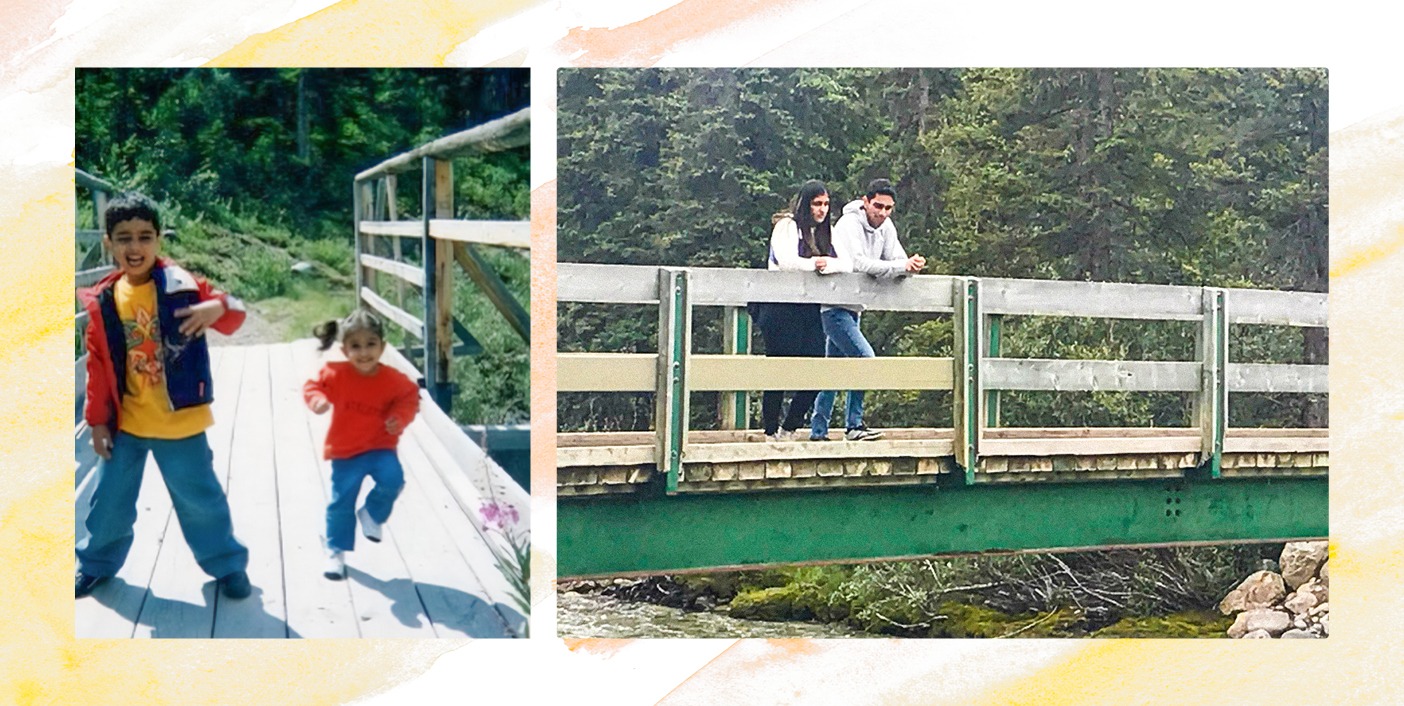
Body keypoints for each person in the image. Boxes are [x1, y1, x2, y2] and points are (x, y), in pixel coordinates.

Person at [76, 192, 252, 599]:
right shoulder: (104, 301)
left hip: (180, 422)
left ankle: (226, 566)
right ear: (109, 243)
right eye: (123, 238)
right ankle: (96, 564)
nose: (134, 247)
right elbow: (98, 367)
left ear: (158, 239)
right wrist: (98, 420)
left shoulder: (183, 285)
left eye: (144, 236)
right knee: (109, 504)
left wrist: (218, 305)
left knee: (201, 501)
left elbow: (236, 314)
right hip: (127, 424)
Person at [303, 310, 419, 580]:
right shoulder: (336, 373)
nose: (364, 352)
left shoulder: (394, 379)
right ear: (344, 350)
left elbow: (409, 398)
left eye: (371, 344)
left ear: (383, 346)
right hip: (346, 450)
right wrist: (317, 400)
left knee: (394, 479)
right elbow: (312, 386)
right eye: (355, 346)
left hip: (380, 446)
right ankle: (335, 549)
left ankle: (372, 513)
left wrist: (399, 418)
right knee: (342, 501)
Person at [810, 178, 927, 442]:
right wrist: (901, 267)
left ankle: (818, 431)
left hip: (855, 308)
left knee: (834, 372)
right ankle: (854, 426)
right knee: (865, 359)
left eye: (888, 208)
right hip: (834, 306)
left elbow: (897, 258)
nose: (883, 213)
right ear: (865, 202)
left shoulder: (886, 226)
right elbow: (858, 263)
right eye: (878, 207)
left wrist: (910, 266)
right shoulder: (848, 224)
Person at [753, 180, 833, 442]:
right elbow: (786, 261)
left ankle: (790, 427)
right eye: (816, 204)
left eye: (825, 204)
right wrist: (816, 264)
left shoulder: (825, 232)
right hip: (779, 305)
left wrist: (828, 264)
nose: (821, 210)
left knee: (817, 370)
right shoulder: (786, 226)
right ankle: (770, 431)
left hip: (808, 307)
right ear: (805, 204)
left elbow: (845, 261)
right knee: (779, 369)